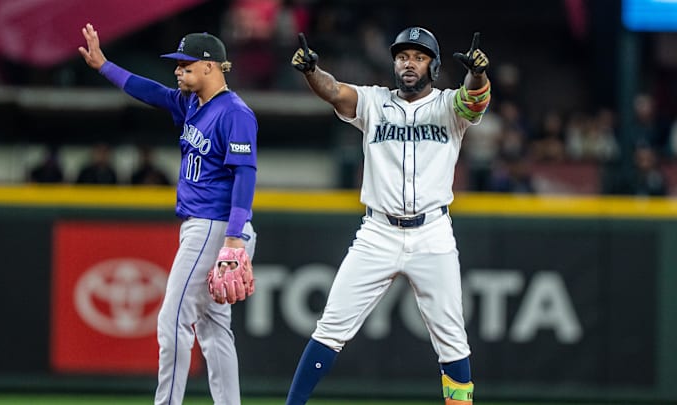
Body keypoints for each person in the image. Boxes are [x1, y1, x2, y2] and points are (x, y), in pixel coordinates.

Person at [288, 27, 491, 404]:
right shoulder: (372, 102)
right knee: (331, 327)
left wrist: (477, 73)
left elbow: (474, 100)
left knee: (451, 338)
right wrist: (312, 71)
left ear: (433, 65)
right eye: (402, 56)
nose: (408, 63)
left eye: (418, 56)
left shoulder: (449, 106)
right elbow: (333, 90)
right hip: (378, 231)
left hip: (432, 232)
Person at [79, 23, 258, 405]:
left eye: (185, 64)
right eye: (177, 64)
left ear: (211, 67)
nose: (177, 71)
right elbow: (152, 92)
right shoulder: (192, 102)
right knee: (213, 328)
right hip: (206, 225)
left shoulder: (235, 114)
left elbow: (246, 174)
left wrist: (234, 237)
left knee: (172, 320)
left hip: (216, 226)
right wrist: (104, 66)